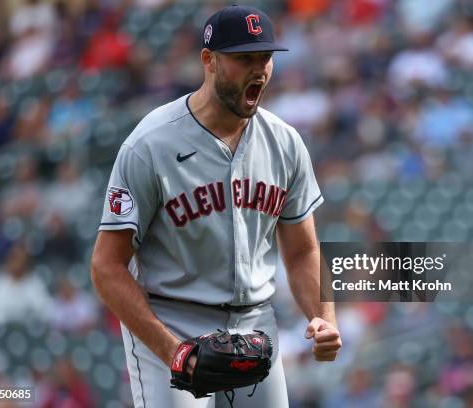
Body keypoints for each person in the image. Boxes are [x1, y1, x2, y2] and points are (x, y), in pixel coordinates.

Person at [90, 5, 342, 408]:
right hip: (172, 319)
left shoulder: (285, 142)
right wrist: (172, 350)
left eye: (265, 58)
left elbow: (303, 250)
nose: (259, 69)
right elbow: (106, 267)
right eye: (244, 59)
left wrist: (323, 317)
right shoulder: (151, 144)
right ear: (208, 60)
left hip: (256, 324)